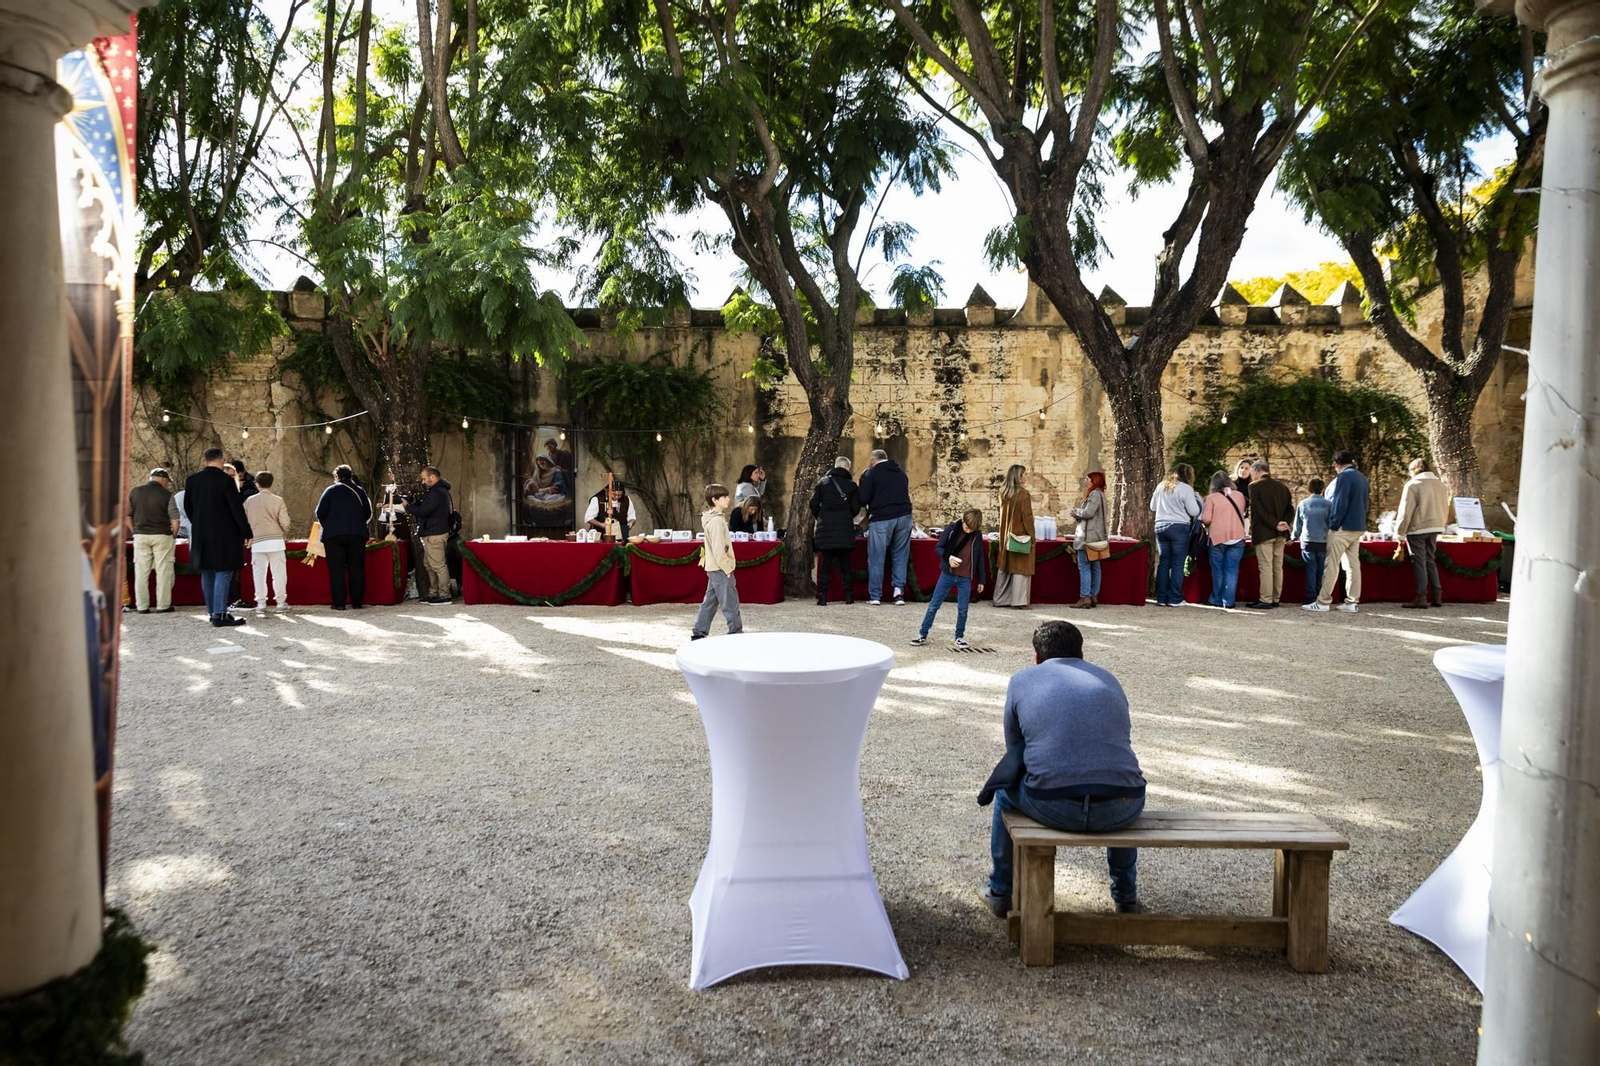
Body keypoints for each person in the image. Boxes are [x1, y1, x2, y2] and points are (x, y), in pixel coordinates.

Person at [977, 620, 1146, 917]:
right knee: (1115, 778)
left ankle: (1001, 890)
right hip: (1122, 804)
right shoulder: (1108, 678)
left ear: (1037, 657)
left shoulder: (1022, 680)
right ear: (1082, 653)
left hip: (1053, 805)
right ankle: (1126, 898)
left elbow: (1014, 746)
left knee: (1004, 794)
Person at [182, 448, 253, 627]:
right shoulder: (226, 481)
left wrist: (200, 525)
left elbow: (188, 508)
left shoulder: (192, 481)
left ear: (206, 460)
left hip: (201, 535)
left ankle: (212, 612)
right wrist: (246, 532)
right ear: (221, 460)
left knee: (207, 572)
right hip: (224, 535)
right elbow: (236, 509)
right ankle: (221, 614)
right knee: (224, 571)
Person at [1303, 451, 1370, 614]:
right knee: (1353, 565)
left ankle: (1323, 601)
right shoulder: (1362, 477)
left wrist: (1334, 524)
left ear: (1336, 464)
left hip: (1342, 527)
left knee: (1331, 564)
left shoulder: (1343, 477)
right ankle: (1352, 601)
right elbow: (1366, 503)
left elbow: (1340, 503)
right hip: (1358, 526)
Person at [910, 509, 987, 648]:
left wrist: (981, 579)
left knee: (963, 609)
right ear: (963, 520)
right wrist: (949, 557)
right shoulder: (951, 530)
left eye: (972, 529)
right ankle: (922, 634)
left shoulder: (977, 535)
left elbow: (980, 557)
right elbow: (938, 547)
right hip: (948, 574)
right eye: (967, 527)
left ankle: (959, 636)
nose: (969, 531)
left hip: (965, 577)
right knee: (934, 605)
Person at [314, 464, 373, 611]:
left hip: (333, 536)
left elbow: (320, 512)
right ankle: (357, 603)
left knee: (336, 570)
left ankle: (339, 604)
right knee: (357, 569)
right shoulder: (359, 491)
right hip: (357, 534)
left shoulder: (330, 491)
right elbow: (368, 512)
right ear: (351, 476)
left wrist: (328, 525)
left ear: (336, 477)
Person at [857, 449, 912, 606]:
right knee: (900, 555)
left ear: (873, 460)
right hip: (904, 516)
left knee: (876, 557)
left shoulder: (872, 473)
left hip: (881, 518)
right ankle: (898, 593)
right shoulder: (901, 473)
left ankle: (875, 595)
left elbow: (863, 498)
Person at [691, 484, 743, 639]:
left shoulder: (715, 519)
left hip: (715, 567)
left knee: (710, 601)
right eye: (724, 497)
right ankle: (736, 631)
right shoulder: (716, 522)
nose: (728, 499)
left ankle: (699, 631)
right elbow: (719, 549)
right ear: (715, 500)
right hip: (721, 568)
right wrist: (727, 568)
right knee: (730, 602)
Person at [1396, 457, 1449, 609]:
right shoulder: (1440, 485)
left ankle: (1421, 596)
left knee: (1419, 561)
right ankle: (1437, 594)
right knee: (1430, 560)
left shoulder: (1413, 485)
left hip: (1417, 527)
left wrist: (1399, 533)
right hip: (1436, 526)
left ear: (1414, 470)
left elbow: (1405, 511)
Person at [398, 466, 454, 604]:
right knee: (429, 565)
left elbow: (424, 511)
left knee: (438, 565)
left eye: (424, 479)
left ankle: (444, 595)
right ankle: (434, 593)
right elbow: (426, 508)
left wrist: (407, 506)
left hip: (435, 533)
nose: (423, 482)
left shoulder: (437, 492)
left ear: (432, 477)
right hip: (431, 532)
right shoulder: (436, 491)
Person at [128, 467, 180, 614]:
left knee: (141, 571)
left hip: (140, 535)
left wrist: (135, 531)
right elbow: (175, 519)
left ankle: (142, 606)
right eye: (167, 482)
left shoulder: (135, 492)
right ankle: (163, 605)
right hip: (162, 535)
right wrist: (173, 535)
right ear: (164, 480)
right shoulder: (167, 494)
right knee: (164, 571)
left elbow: (127, 515)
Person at [1149, 463, 1201, 607]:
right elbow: (1194, 511)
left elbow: (1152, 506)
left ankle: (1161, 597)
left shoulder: (1161, 485)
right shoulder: (1186, 489)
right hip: (1179, 526)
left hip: (1160, 526)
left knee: (1164, 562)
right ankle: (1175, 598)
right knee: (1178, 563)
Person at [810, 457, 860, 606]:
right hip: (844, 526)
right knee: (845, 560)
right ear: (847, 467)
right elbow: (856, 508)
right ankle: (849, 596)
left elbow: (813, 503)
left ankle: (823, 597)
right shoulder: (851, 485)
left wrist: (821, 515)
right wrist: (846, 515)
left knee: (826, 560)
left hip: (826, 526)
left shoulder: (823, 483)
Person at [1245, 459, 1295, 609]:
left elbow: (1258, 510)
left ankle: (1265, 599)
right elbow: (1290, 509)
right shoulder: (1282, 487)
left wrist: (1275, 524)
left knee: (1266, 566)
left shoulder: (1254, 486)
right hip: (1280, 534)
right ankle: (1275, 598)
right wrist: (1284, 523)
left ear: (1255, 471)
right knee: (1277, 566)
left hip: (1264, 532)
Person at [243, 471, 292, 615]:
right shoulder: (278, 500)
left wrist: (248, 535)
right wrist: (284, 529)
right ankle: (281, 602)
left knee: (258, 574)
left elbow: (244, 520)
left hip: (257, 541)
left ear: (257, 484)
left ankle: (261, 602)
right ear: (271, 483)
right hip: (275, 540)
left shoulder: (249, 501)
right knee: (279, 573)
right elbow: (285, 521)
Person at [1201, 470, 1248, 609]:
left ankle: (1216, 598)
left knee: (1218, 569)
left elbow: (1206, 519)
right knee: (1232, 570)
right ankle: (1229, 601)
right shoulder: (1240, 496)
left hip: (1218, 538)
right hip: (1237, 537)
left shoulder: (1212, 498)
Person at [993, 464, 1036, 608]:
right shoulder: (1023, 494)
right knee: (1020, 567)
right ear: (1018, 477)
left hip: (1006, 534)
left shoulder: (1004, 492)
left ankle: (1001, 599)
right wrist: (1032, 537)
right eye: (1024, 474)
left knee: (1006, 565)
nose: (1026, 476)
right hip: (1020, 534)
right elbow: (1027, 517)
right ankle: (1019, 601)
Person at [1070, 471, 1108, 609]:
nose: (1085, 481)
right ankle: (1093, 596)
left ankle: (1085, 596)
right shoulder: (1100, 494)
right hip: (1096, 537)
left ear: (1095, 481)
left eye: (1088, 479)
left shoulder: (1094, 494)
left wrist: (1076, 512)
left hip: (1087, 537)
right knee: (1095, 567)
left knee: (1085, 567)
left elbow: (1089, 512)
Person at [1293, 478, 1332, 602]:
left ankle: (1310, 597)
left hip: (1308, 541)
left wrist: (1294, 536)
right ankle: (1321, 596)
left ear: (1308, 489)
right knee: (1321, 571)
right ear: (1323, 489)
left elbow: (1298, 524)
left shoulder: (1303, 504)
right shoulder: (1329, 504)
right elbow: (1332, 523)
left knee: (1311, 570)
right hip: (1324, 540)